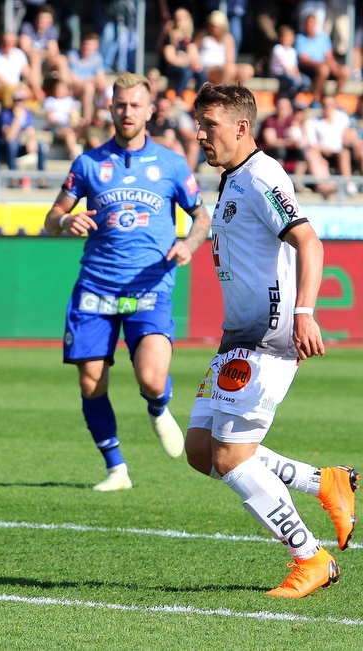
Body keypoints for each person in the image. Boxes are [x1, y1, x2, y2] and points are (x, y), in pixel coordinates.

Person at [186, 81, 358, 598]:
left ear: (241, 127)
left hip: (269, 337)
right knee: (201, 451)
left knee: (230, 459)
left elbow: (309, 241)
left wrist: (305, 312)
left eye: (209, 125)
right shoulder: (232, 178)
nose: (200, 134)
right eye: (199, 124)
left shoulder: (262, 175)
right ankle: (324, 482)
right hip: (235, 339)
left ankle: (311, 558)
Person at [42, 72, 211, 491]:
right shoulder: (88, 163)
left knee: (152, 378)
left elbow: (202, 216)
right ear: (110, 108)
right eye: (120, 105)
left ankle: (158, 406)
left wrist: (189, 244)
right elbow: (50, 219)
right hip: (96, 284)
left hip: (150, 284)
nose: (127, 112)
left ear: (151, 111)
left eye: (136, 105)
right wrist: (66, 219)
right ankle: (116, 468)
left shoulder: (172, 163)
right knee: (90, 381)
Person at [296, 12, 350, 108]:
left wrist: (334, 66)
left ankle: (335, 98)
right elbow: (304, 60)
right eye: (308, 23)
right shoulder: (300, 38)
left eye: (312, 23)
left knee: (345, 71)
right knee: (323, 69)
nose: (310, 26)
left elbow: (328, 56)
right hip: (309, 68)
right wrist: (321, 64)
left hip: (324, 65)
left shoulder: (323, 38)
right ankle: (315, 98)